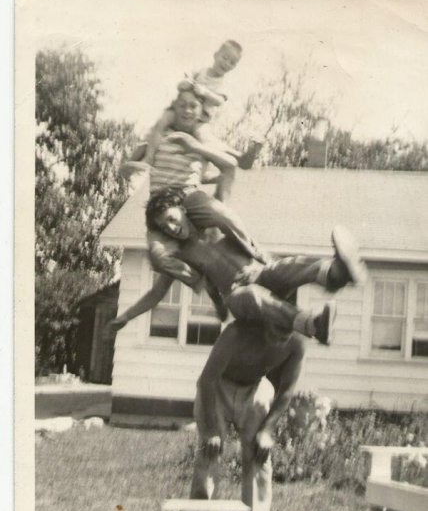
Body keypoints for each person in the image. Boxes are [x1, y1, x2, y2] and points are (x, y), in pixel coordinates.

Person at [106, 185, 367, 345]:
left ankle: (338, 272)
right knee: (251, 295)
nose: (173, 229)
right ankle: (313, 324)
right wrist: (126, 317)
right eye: (165, 228)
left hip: (259, 271)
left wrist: (260, 263)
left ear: (183, 210)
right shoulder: (181, 254)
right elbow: (156, 293)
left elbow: (227, 201)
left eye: (173, 219)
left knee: (287, 266)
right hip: (236, 296)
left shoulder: (212, 224)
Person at [124, 85, 266, 292]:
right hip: (160, 204)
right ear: (174, 108)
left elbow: (239, 163)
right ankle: (202, 283)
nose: (187, 110)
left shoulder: (204, 140)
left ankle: (254, 252)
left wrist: (252, 150)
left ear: (201, 113)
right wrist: (133, 169)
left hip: (188, 194)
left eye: (193, 106)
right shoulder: (158, 135)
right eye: (182, 105)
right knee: (158, 257)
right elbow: (129, 166)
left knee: (222, 215)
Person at [190, 321, 305, 511]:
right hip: (217, 385)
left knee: (259, 456)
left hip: (255, 388)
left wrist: (267, 431)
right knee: (208, 451)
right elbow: (206, 379)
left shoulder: (298, 343)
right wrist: (211, 429)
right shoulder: (237, 331)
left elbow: (286, 391)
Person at [135, 40, 261, 180]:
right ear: (215, 55)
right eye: (224, 58)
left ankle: (236, 158)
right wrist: (186, 83)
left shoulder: (223, 83)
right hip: (180, 110)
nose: (226, 63)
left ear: (234, 67)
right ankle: (149, 157)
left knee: (206, 140)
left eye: (231, 62)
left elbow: (219, 101)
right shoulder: (200, 71)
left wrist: (205, 92)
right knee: (160, 123)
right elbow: (181, 84)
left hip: (200, 117)